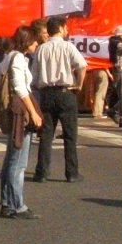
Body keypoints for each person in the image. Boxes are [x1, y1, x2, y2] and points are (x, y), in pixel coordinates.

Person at [30, 15, 87, 182]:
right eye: (66, 28)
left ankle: (41, 172)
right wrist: (79, 84)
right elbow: (82, 65)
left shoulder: (40, 49)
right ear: (61, 29)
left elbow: (34, 76)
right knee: (70, 135)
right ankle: (71, 173)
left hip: (46, 93)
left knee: (46, 135)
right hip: (65, 92)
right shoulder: (68, 46)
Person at [0, 25, 43, 219]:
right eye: (34, 40)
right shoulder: (17, 59)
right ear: (26, 41)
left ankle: (7, 203)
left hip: (15, 110)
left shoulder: (11, 56)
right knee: (18, 161)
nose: (37, 43)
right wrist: (33, 112)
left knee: (11, 159)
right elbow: (20, 88)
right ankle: (17, 204)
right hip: (19, 112)